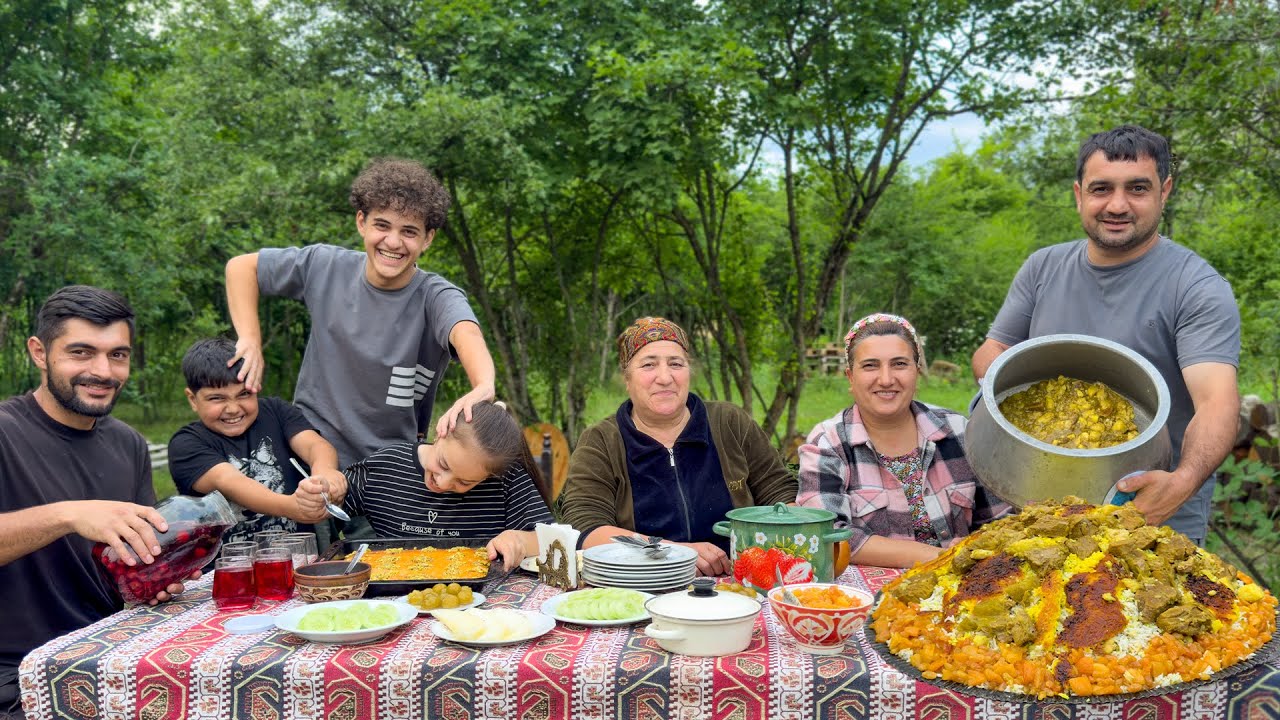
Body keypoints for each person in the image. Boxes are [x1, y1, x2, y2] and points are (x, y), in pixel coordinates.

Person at [971, 124, 1240, 545]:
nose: (1117, 205)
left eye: (1137, 188)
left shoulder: (1196, 286)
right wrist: (998, 382)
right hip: (1042, 504)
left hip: (1150, 512)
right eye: (1101, 189)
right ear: (1079, 194)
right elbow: (995, 348)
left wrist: (1182, 482)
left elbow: (1217, 402)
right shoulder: (1043, 268)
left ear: (1164, 192)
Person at [224, 157, 496, 469]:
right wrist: (250, 339)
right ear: (361, 222)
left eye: (409, 231)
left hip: (389, 471)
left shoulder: (435, 296)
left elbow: (467, 332)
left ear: (427, 239)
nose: (393, 241)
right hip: (306, 455)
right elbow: (241, 267)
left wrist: (483, 385)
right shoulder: (324, 266)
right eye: (382, 225)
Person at [0, 286, 193, 718]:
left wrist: (154, 578)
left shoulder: (128, 443)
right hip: (15, 676)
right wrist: (69, 514)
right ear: (39, 352)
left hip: (106, 658)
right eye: (81, 352)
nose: (102, 371)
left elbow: (131, 562)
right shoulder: (5, 431)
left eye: (118, 355)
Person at [558, 317, 798, 577]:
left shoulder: (729, 423)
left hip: (738, 581)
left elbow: (780, 495)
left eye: (676, 364)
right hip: (643, 585)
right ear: (627, 380)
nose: (665, 377)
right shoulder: (602, 440)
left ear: (688, 373)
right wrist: (673, 554)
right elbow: (586, 528)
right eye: (649, 365)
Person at [797, 314, 1010, 569]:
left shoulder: (959, 431)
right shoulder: (827, 445)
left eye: (899, 364)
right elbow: (826, 534)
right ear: (850, 377)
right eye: (870, 366)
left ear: (917, 371)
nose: (886, 379)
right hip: (867, 600)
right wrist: (936, 557)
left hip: (963, 591)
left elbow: (1000, 521)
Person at [167, 338, 346, 543]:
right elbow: (230, 482)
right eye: (217, 398)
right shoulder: (186, 444)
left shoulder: (276, 412)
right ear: (192, 399)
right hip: (229, 568)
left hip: (301, 561)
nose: (233, 408)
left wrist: (325, 477)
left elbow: (315, 445)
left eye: (244, 394)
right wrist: (294, 507)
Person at [342, 401, 552, 571]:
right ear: (440, 431)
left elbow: (554, 540)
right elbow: (333, 500)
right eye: (443, 464)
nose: (442, 482)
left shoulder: (504, 480)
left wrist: (520, 541)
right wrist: (318, 496)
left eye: (464, 482)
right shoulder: (388, 466)